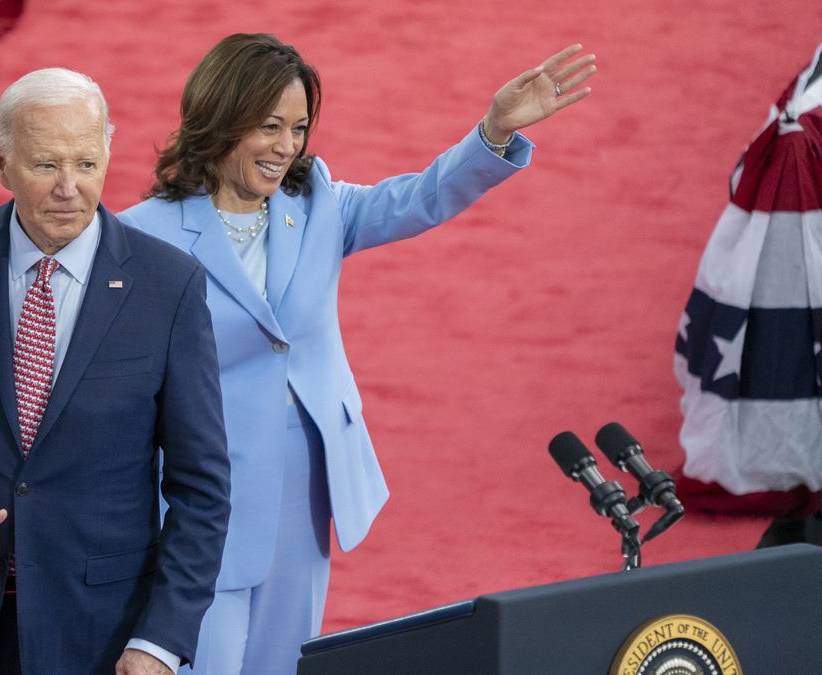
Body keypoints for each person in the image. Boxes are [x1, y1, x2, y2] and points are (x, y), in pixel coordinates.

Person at [118, 33, 596, 674]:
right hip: (205, 493)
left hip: (306, 481)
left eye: (298, 129)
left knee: (283, 662)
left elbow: (420, 198)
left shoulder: (317, 204)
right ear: (220, 118)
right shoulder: (142, 235)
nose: (286, 147)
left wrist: (494, 131)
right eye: (269, 127)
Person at [0, 68, 230, 675]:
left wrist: (162, 638)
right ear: (2, 164)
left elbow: (201, 488)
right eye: (46, 164)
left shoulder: (169, 285)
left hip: (101, 638)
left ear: (108, 155)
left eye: (86, 163)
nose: (69, 188)